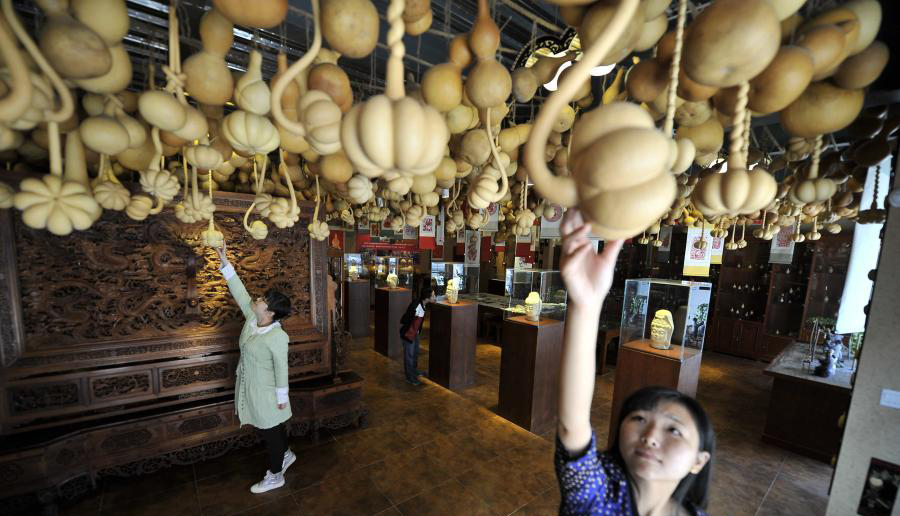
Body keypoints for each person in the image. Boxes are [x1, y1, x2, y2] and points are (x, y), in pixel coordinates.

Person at [556, 209, 715, 516]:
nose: (650, 437)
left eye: (674, 430)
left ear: (699, 460)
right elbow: (571, 424)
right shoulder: (596, 495)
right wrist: (586, 305)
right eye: (639, 418)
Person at [215, 241, 296, 494]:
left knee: (270, 431)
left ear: (270, 312)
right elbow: (239, 291)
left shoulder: (277, 336)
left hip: (267, 392)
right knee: (272, 427)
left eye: (262, 299)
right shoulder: (253, 318)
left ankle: (276, 475)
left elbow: (281, 368)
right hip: (250, 385)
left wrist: (281, 397)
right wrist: (225, 261)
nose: (257, 299)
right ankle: (286, 454)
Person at [398, 285, 435, 385]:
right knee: (409, 356)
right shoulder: (416, 306)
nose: (434, 297)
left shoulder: (423, 304)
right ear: (427, 297)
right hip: (408, 334)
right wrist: (409, 332)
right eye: (433, 295)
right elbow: (405, 319)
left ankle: (414, 371)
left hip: (415, 333)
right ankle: (410, 378)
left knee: (414, 353)